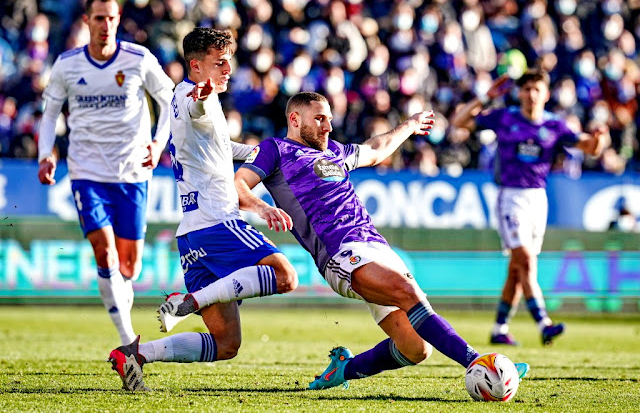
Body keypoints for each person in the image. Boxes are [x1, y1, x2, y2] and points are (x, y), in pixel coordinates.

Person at [231, 91, 529, 390]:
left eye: (330, 119)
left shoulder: (334, 151)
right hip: (340, 253)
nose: (328, 127)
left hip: (376, 246)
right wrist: (263, 207)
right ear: (294, 119)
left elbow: (375, 149)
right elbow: (239, 184)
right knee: (407, 291)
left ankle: (342, 371)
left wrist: (409, 126)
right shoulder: (276, 150)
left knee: (416, 348)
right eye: (319, 119)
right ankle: (480, 364)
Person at [107, 28, 297, 391]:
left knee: (227, 345)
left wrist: (261, 153)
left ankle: (136, 355)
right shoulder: (198, 97)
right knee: (286, 276)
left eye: (229, 61)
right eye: (218, 63)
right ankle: (188, 301)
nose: (228, 69)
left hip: (192, 234)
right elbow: (199, 104)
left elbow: (220, 147)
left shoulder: (181, 98)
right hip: (218, 222)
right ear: (196, 65)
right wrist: (202, 95)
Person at [37, 0, 174, 346]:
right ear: (87, 21)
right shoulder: (67, 64)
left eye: (111, 18)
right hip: (86, 171)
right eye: (98, 18)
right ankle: (129, 344)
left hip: (132, 173)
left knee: (129, 268)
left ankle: (124, 319)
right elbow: (50, 113)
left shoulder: (138, 58)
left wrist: (159, 144)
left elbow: (168, 99)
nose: (105, 25)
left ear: (118, 19)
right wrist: (46, 154)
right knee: (104, 251)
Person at [450, 70, 607, 346]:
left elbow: (590, 147)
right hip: (510, 197)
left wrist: (600, 139)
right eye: (526, 89)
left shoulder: (555, 125)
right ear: (519, 93)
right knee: (526, 261)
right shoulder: (505, 117)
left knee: (516, 268)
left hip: (538, 199)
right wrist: (486, 96)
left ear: (546, 94)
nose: (531, 94)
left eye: (537, 89)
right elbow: (459, 121)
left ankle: (500, 328)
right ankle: (544, 323)